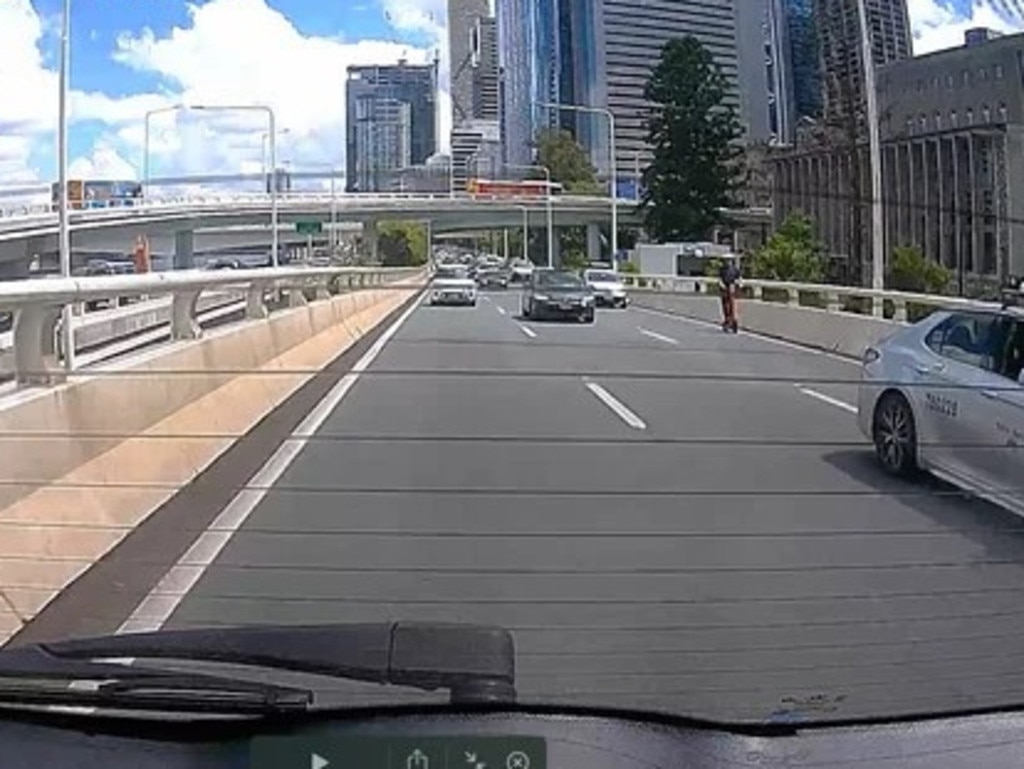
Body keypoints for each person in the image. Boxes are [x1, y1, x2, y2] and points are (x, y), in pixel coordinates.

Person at [717, 256, 741, 333]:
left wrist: (739, 284)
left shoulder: (735, 269)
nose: (728, 262)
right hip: (725, 288)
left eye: (729, 260)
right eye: (726, 260)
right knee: (725, 306)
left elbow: (739, 278)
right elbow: (720, 279)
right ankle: (727, 320)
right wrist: (722, 285)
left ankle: (733, 320)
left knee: (733, 305)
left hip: (732, 287)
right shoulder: (722, 269)